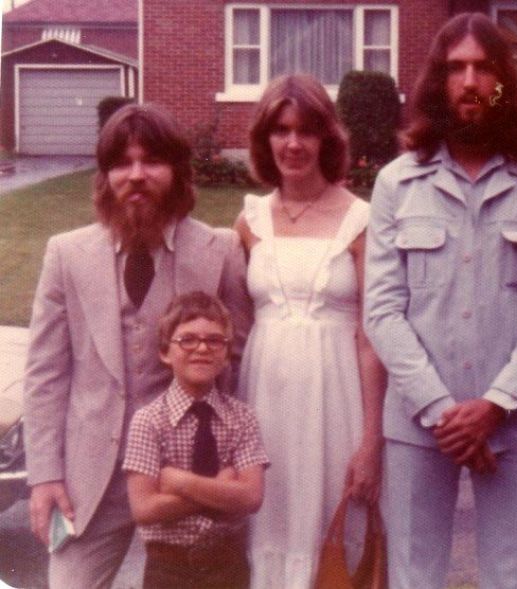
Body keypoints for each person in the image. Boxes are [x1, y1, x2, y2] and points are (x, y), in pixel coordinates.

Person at [364, 12, 517, 589]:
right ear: (437, 83)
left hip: (515, 420)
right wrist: (443, 413)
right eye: (455, 68)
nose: (469, 82)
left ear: (504, 82)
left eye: (484, 69)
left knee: (512, 578)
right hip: (418, 423)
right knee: (414, 578)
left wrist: (496, 405)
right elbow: (382, 310)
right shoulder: (397, 183)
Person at [23, 103, 252, 589]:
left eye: (152, 161)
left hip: (186, 481)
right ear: (105, 176)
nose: (137, 175)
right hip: (91, 479)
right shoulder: (66, 254)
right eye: (122, 163)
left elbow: (238, 366)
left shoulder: (220, 251)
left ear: (178, 171)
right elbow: (45, 375)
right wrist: (45, 475)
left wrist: (232, 466)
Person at [233, 73, 386, 588]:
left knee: (331, 540)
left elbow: (370, 340)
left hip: (336, 404)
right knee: (269, 528)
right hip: (263, 406)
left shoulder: (361, 220)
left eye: (306, 130)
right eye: (281, 130)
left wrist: (371, 442)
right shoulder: (250, 221)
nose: (293, 143)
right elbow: (236, 330)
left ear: (327, 138)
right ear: (265, 138)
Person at [124, 291, 269, 589]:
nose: (202, 348)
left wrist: (180, 482)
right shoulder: (148, 421)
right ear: (165, 352)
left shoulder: (242, 418)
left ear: (226, 355)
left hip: (228, 566)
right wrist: (222, 488)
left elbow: (251, 497)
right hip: (168, 568)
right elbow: (144, 509)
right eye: (187, 340)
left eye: (214, 340)